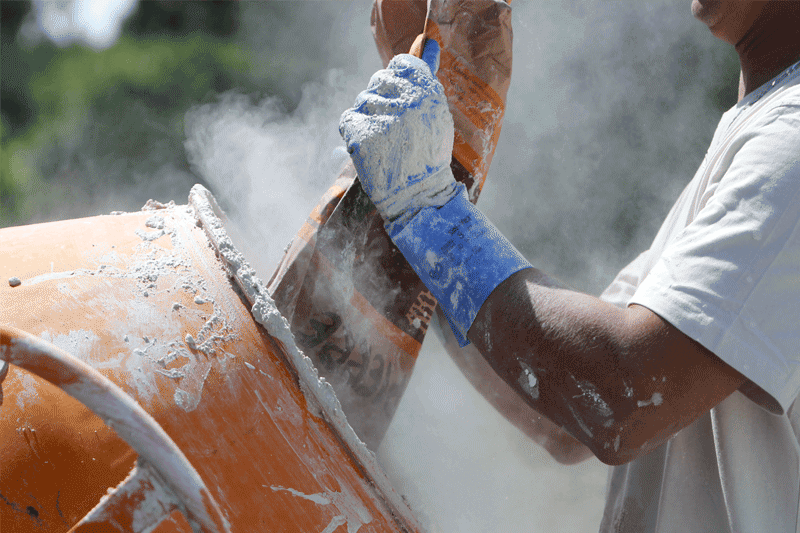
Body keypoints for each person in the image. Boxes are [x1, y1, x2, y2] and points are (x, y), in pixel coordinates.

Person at [339, 1, 800, 532]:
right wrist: (427, 191)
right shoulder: (766, 130)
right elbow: (565, 412)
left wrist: (426, 211)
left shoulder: (790, 145)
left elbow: (621, 396)